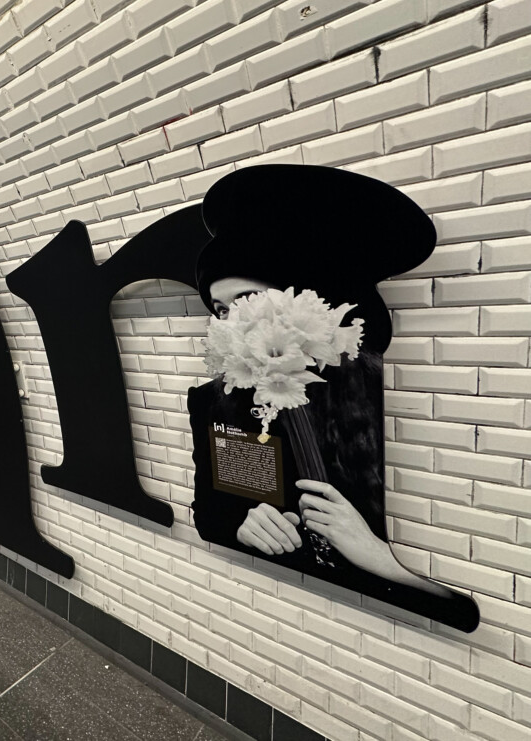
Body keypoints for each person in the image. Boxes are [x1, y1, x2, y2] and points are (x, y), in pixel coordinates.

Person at [188, 165, 478, 631]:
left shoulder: (399, 405)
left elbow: (467, 612)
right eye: (221, 309)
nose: (229, 323)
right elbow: (208, 516)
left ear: (311, 302)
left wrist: (381, 558)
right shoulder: (216, 402)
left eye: (248, 300)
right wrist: (242, 525)